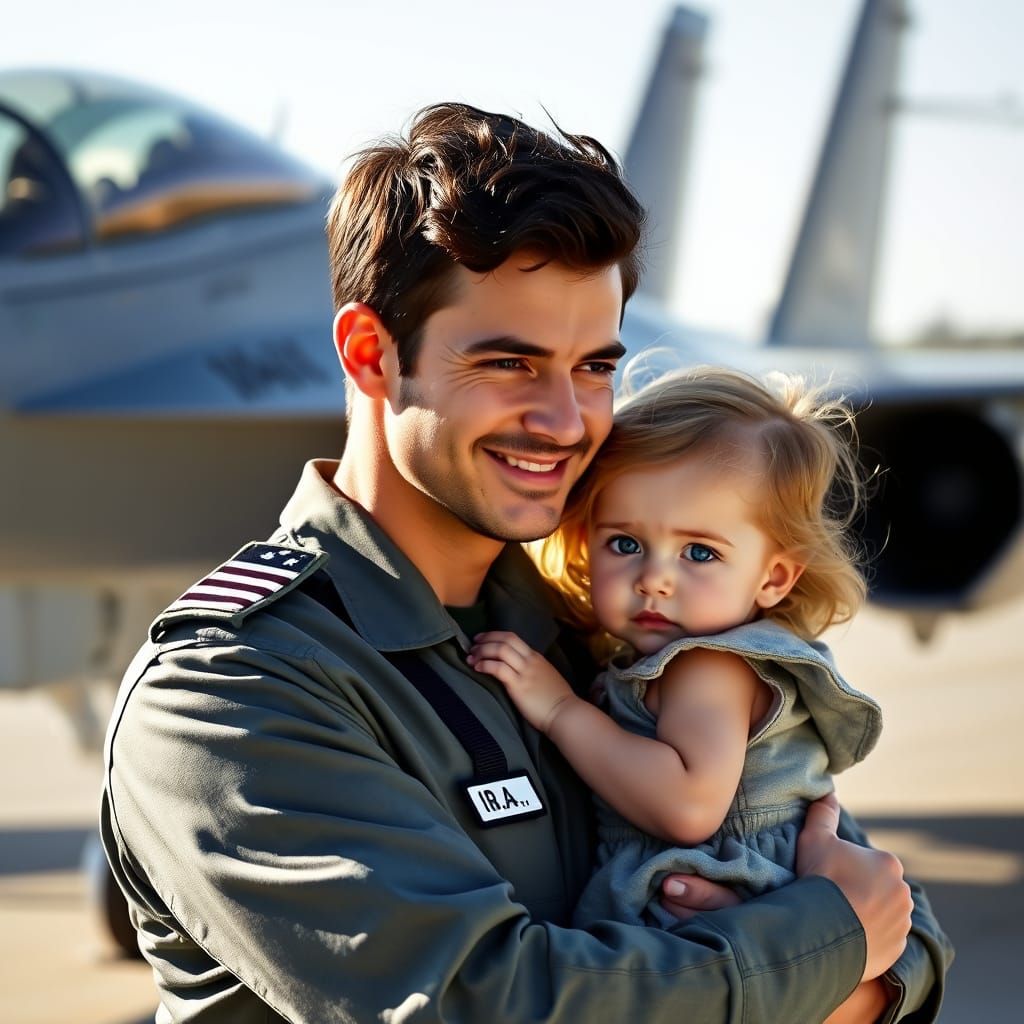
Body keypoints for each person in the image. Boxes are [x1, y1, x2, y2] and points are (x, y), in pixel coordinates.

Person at [100, 103, 951, 1023]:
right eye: (511, 363)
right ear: (370, 354)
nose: (567, 420)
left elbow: (889, 914)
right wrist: (815, 954)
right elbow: (492, 1005)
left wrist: (849, 968)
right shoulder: (234, 691)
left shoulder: (602, 624)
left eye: (594, 367)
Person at [468, 367, 889, 941]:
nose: (654, 580)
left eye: (698, 552)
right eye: (625, 544)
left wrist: (561, 711)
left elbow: (688, 807)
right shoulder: (671, 655)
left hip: (703, 900)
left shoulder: (708, 666)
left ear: (774, 577)